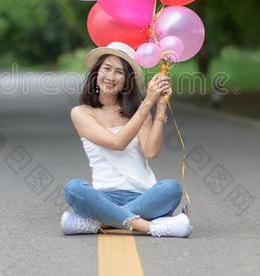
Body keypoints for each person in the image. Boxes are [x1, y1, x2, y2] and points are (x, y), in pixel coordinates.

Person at [61, 41, 193, 238]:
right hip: (103, 196)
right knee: (74, 189)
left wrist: (161, 106)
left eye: (119, 72)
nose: (111, 77)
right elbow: (117, 143)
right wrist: (147, 102)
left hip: (144, 195)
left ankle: (99, 222)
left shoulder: (138, 112)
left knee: (171, 188)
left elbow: (151, 151)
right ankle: (149, 227)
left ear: (127, 81)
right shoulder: (81, 113)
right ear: (97, 72)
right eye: (106, 69)